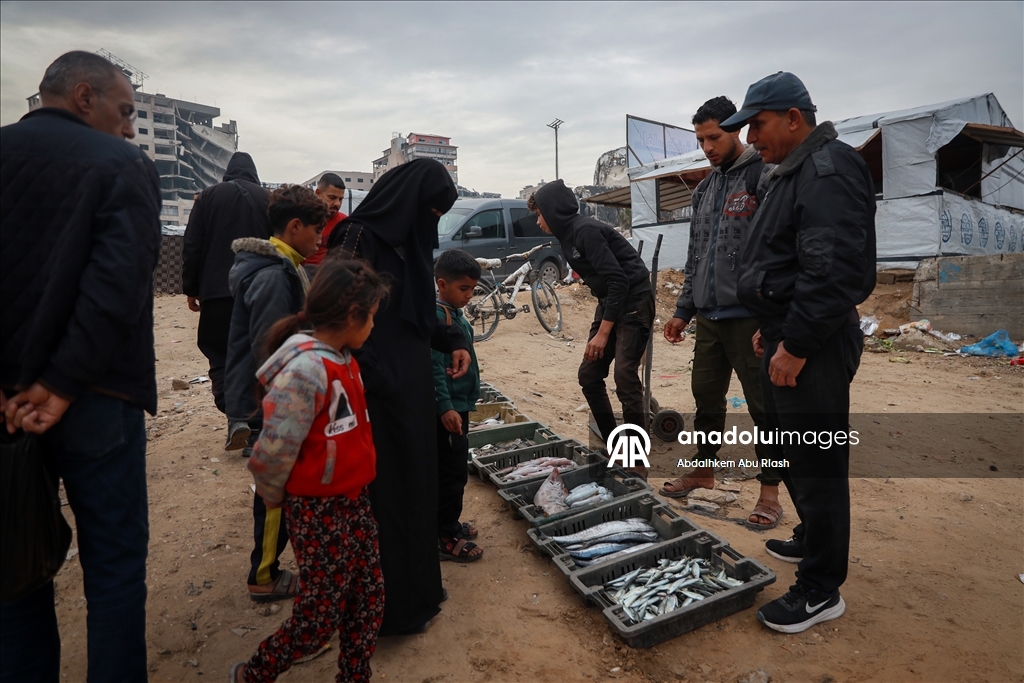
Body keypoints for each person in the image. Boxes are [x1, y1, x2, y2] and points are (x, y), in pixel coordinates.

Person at [0, 51, 161, 682]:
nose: (127, 127)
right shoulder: (123, 165)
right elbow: (116, 290)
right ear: (84, 96)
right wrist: (62, 385)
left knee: (15, 558)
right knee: (115, 567)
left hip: (8, 403)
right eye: (124, 111)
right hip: (96, 397)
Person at [720, 71, 876, 633]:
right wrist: (774, 326)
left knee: (818, 465)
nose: (752, 137)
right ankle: (812, 536)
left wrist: (799, 342)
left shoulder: (828, 169)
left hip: (817, 343)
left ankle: (820, 589)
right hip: (791, 334)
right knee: (793, 450)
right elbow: (785, 261)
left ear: (793, 117)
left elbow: (831, 271)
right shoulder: (790, 168)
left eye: (757, 125)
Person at [326, 158, 469, 636]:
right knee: (385, 499)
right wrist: (378, 377)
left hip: (411, 392)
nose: (431, 222)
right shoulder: (358, 239)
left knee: (416, 490)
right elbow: (335, 320)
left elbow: (417, 315)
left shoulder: (408, 238)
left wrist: (453, 342)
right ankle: (387, 610)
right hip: (378, 394)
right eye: (430, 211)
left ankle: (418, 593)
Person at [230, 259, 389, 683]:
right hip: (319, 512)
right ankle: (254, 673)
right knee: (319, 617)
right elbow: (272, 449)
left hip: (355, 502)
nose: (374, 326)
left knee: (368, 598)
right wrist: (276, 496)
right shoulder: (306, 370)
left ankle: (354, 676)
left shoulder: (344, 357)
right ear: (353, 316)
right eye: (372, 316)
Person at [660, 96, 785, 530]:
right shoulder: (705, 189)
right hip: (710, 318)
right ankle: (702, 469)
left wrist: (775, 318)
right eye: (700, 140)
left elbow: (779, 249)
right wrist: (682, 311)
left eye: (714, 136)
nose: (708, 147)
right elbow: (696, 255)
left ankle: (770, 493)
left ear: (735, 129)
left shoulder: (764, 177)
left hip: (752, 318)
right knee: (705, 400)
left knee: (765, 410)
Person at [224, 184, 328, 602]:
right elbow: (271, 349)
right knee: (274, 490)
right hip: (273, 401)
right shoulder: (271, 275)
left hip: (274, 398)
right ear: (295, 226)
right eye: (316, 230)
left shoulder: (283, 265)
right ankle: (263, 574)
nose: (319, 238)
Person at [529, 180, 654, 453]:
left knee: (624, 375)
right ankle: (615, 444)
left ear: (553, 210)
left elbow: (619, 281)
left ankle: (636, 458)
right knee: (589, 374)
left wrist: (603, 333)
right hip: (611, 300)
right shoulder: (567, 238)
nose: (538, 222)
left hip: (634, 299)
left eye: (540, 214)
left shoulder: (585, 231)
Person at [182, 152, 271, 418]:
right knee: (257, 353)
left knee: (219, 351)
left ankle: (233, 412)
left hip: (216, 292)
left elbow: (192, 244)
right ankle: (255, 424)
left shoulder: (207, 197)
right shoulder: (267, 199)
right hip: (259, 290)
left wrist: (191, 288)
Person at [432, 249, 484, 563]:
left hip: (457, 404)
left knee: (454, 470)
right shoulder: (440, 317)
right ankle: (444, 536)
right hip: (449, 409)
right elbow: (436, 368)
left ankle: (448, 524)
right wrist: (445, 406)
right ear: (442, 284)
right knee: (450, 474)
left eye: (472, 290)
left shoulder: (453, 313)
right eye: (463, 289)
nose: (469, 296)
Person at [303, 172, 348, 273]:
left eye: (340, 199)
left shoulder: (345, 223)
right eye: (332, 198)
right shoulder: (303, 219)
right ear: (318, 193)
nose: (337, 203)